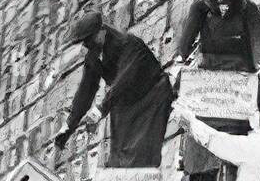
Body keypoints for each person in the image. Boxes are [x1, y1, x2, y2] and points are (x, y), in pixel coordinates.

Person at [172, 0, 260, 180]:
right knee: (198, 141)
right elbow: (184, 44)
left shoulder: (248, 10)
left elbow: (259, 43)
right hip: (208, 85)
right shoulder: (201, 8)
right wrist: (178, 63)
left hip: (236, 88)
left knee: (233, 147)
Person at [52, 10, 172, 168]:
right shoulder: (93, 58)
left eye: (90, 39)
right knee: (118, 161)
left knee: (141, 158)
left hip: (151, 99)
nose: (87, 45)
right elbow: (85, 92)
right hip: (126, 108)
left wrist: (100, 110)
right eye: (84, 42)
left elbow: (123, 81)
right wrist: (68, 127)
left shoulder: (130, 44)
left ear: (102, 31)